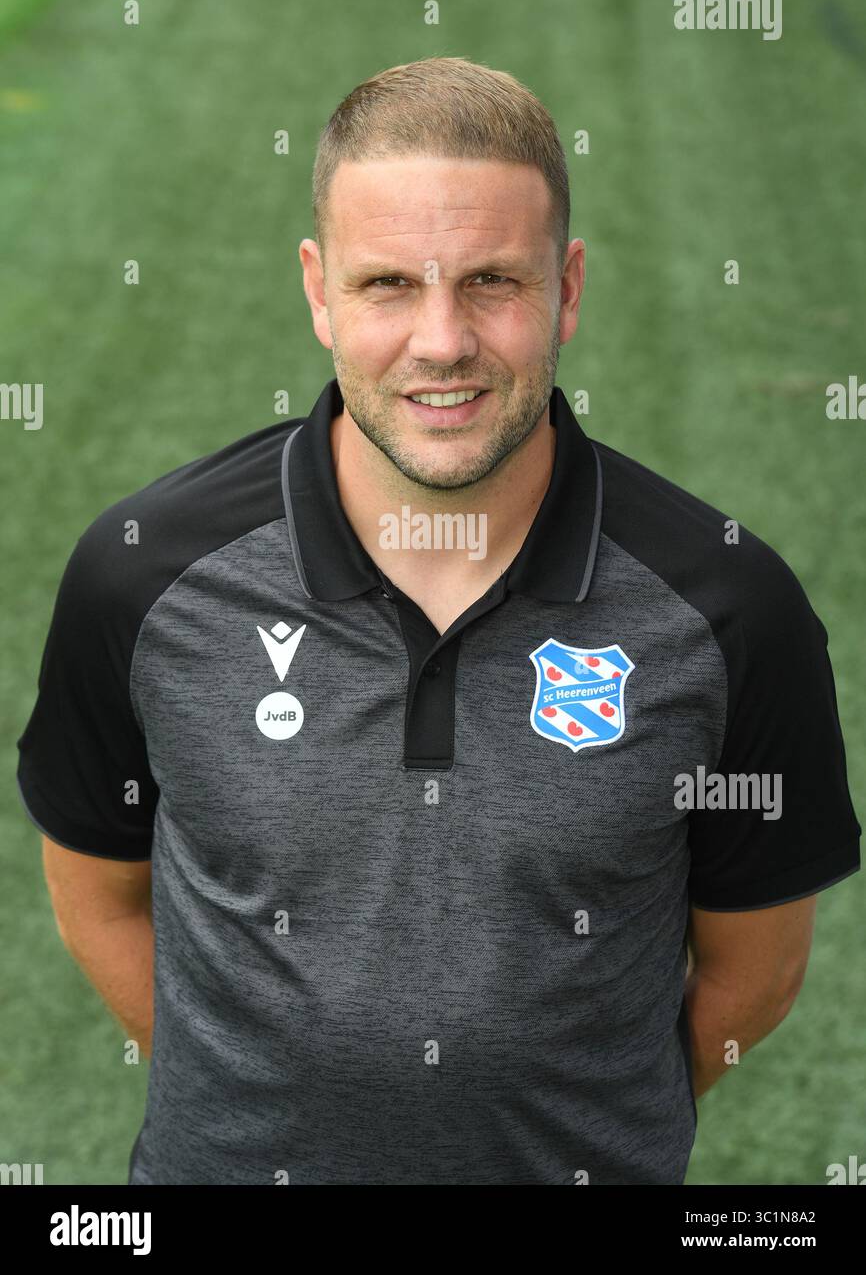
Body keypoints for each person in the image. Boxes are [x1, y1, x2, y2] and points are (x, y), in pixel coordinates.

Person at [17, 57, 861, 1185]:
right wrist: (245, 1099)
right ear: (317, 290)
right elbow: (97, 895)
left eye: (489, 283)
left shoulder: (728, 609)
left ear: (565, 288)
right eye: (386, 287)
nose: (441, 341)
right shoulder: (142, 577)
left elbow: (747, 979)